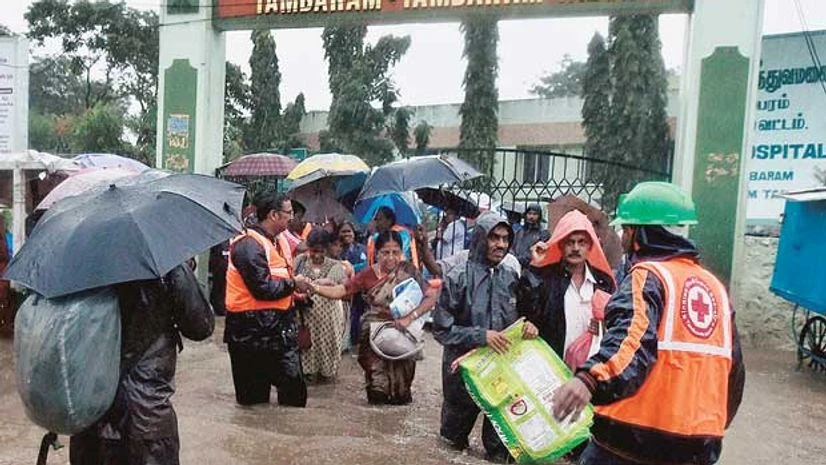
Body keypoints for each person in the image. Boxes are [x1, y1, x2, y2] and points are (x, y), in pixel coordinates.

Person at [552, 182, 746, 465]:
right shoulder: (715, 287)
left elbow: (631, 341)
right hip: (699, 445)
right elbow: (734, 370)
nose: (620, 237)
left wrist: (590, 378)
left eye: (624, 230)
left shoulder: (648, 276)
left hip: (632, 441)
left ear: (634, 233)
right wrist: (714, 426)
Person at [70, 264, 214, 465]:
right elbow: (201, 326)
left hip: (91, 411)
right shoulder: (166, 264)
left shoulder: (80, 264)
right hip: (147, 415)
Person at [432, 211, 539, 463]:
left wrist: (530, 326)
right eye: (494, 238)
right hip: (463, 374)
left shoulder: (511, 277)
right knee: (450, 445)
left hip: (501, 375)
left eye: (505, 238)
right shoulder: (457, 277)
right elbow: (441, 329)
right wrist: (481, 336)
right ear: (480, 238)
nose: (501, 244)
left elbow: (527, 314)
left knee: (500, 452)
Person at [302, 230, 439, 405]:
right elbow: (342, 291)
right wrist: (314, 288)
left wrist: (410, 318)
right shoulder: (367, 274)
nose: (390, 258)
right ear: (377, 253)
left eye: (395, 252)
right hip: (373, 333)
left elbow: (431, 296)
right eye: (385, 253)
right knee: (376, 386)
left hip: (402, 331)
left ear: (402, 252)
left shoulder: (409, 271)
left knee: (402, 390)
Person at [224, 190, 307, 407]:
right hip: (250, 332)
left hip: (279, 328)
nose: (292, 217)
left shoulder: (279, 241)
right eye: (288, 212)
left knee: (294, 396)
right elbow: (262, 288)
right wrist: (293, 284)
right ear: (273, 215)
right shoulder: (248, 245)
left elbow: (279, 278)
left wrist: (298, 294)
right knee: (253, 402)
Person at [517, 209, 616, 361]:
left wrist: (604, 328)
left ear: (590, 246)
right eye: (570, 242)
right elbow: (527, 312)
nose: (575, 248)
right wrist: (535, 266)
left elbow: (618, 323)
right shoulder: (547, 279)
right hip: (555, 365)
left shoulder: (603, 282)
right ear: (560, 246)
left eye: (581, 242)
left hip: (591, 370)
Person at [294, 230, 348, 383]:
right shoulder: (299, 262)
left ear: (327, 249)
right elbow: (290, 280)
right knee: (305, 347)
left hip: (329, 319)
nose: (317, 255)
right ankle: (307, 376)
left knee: (326, 346)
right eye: (313, 250)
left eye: (321, 251)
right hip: (305, 316)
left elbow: (345, 286)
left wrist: (329, 283)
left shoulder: (336, 266)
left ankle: (326, 378)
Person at [334, 221, 368, 349]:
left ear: (354, 233)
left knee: (357, 314)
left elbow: (366, 266)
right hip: (342, 289)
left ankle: (355, 341)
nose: (346, 234)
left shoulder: (362, 249)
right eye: (343, 231)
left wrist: (350, 267)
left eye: (349, 231)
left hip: (359, 288)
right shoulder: (337, 249)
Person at [511, 203, 550, 268]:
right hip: (515, 265)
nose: (531, 217)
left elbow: (539, 252)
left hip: (532, 268)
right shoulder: (519, 232)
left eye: (535, 214)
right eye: (529, 213)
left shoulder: (543, 233)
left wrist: (523, 259)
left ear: (539, 216)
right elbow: (512, 247)